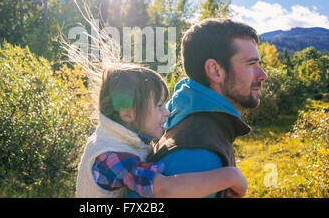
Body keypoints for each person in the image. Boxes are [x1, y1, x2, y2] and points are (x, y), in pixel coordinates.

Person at [75, 63, 248, 198]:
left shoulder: (115, 135)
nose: (167, 111)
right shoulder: (114, 157)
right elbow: (165, 189)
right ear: (128, 113)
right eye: (159, 106)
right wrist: (230, 176)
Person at [143, 18, 268, 198]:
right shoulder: (198, 154)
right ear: (215, 70)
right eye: (251, 64)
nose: (263, 75)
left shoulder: (184, 116)